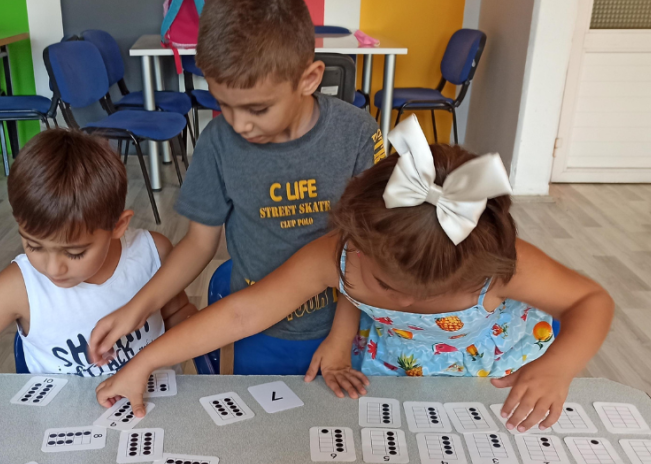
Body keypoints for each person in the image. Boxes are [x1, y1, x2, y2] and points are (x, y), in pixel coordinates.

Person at [95, 116, 615, 433]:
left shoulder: (495, 264)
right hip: (395, 371)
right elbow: (243, 311)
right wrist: (146, 361)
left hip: (503, 379)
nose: (361, 274)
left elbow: (591, 300)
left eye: (390, 288)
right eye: (364, 261)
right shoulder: (340, 254)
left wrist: (560, 367)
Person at [88, 0, 385, 375]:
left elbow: (365, 249)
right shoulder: (218, 141)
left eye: (258, 109)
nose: (240, 124)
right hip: (256, 329)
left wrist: (342, 338)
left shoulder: (358, 133)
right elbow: (198, 244)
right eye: (223, 104)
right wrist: (136, 309)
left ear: (309, 79)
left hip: (346, 332)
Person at [0, 129, 195, 464]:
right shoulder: (16, 289)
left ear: (118, 225)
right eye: (33, 245)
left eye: (75, 252)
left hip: (159, 417)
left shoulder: (153, 253)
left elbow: (180, 314)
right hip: (59, 437)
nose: (53, 268)